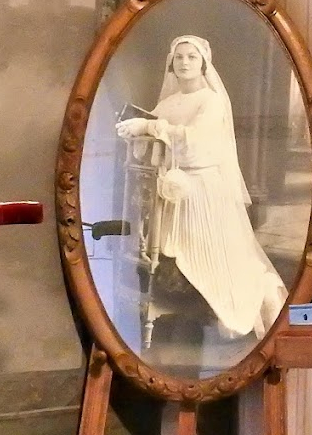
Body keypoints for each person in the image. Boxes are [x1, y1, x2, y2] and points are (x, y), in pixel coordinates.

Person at [116, 35, 287, 340]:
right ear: (171, 63)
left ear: (204, 63)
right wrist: (134, 130)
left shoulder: (211, 101)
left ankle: (240, 301)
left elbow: (195, 145)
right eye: (179, 57)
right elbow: (155, 144)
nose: (184, 63)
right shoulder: (167, 104)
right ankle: (176, 306)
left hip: (203, 188)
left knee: (214, 263)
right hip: (169, 192)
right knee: (160, 248)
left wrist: (150, 127)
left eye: (191, 57)